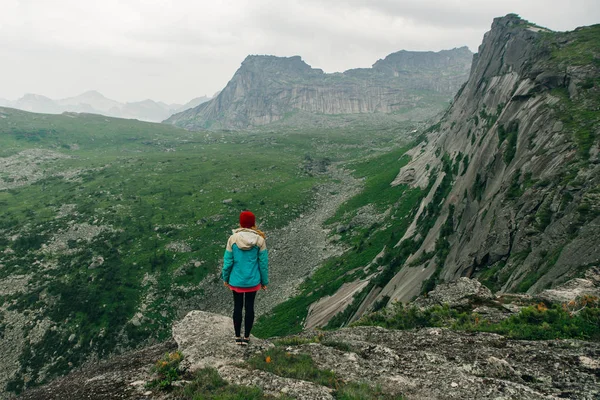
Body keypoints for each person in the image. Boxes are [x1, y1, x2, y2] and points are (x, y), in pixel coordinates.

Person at [222, 210, 269, 346]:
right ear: (253, 224)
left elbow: (228, 262)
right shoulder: (260, 240)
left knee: (237, 307)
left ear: (241, 223)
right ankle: (247, 337)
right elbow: (263, 264)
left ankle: (237, 337)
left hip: (236, 280)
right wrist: (264, 282)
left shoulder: (233, 239)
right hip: (252, 281)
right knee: (250, 308)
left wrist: (226, 278)